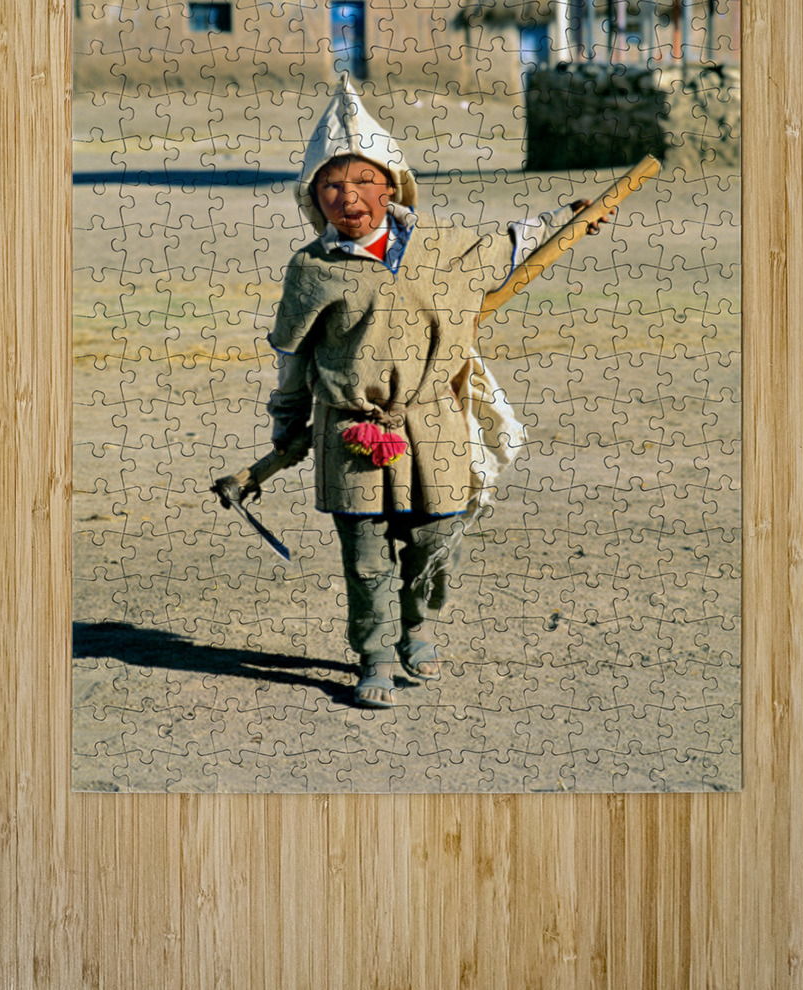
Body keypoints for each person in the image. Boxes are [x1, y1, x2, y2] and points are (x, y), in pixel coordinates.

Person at [227, 78, 612, 708]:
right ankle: (376, 655)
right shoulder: (311, 268)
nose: (349, 197)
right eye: (331, 185)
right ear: (313, 196)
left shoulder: (442, 246)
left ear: (392, 185)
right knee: (365, 551)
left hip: (433, 423)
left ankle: (418, 625)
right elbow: (293, 360)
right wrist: (287, 428)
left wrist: (570, 218)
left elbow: (509, 242)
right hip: (350, 428)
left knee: (438, 535)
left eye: (363, 181)